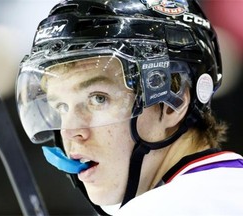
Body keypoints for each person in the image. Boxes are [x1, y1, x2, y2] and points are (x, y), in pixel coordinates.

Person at [16, 0, 243, 215]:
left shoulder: (164, 208)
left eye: (98, 99)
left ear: (173, 104)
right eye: (62, 107)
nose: (70, 132)